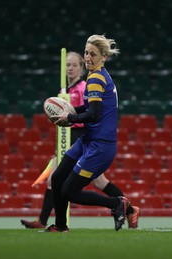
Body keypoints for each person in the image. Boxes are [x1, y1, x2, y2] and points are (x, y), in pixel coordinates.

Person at [21, 49, 139, 231]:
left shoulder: (91, 82)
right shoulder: (71, 87)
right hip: (83, 139)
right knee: (58, 179)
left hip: (91, 140)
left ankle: (120, 205)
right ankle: (59, 225)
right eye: (86, 53)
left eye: (74, 64)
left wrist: (70, 117)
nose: (71, 68)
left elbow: (93, 113)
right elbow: (86, 109)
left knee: (73, 187)